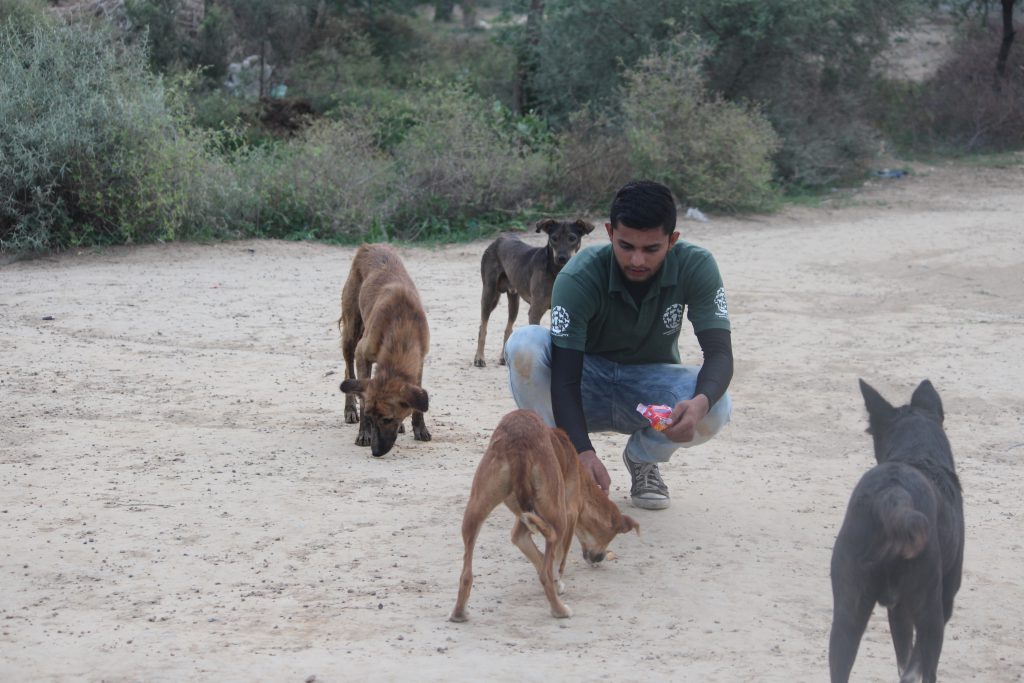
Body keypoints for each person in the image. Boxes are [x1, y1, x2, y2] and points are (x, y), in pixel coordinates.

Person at [503, 180, 733, 510]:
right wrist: (580, 451)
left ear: (672, 241)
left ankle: (642, 458)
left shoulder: (697, 266)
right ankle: (557, 460)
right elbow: (566, 379)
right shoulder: (578, 276)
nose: (637, 259)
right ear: (610, 233)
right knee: (524, 343)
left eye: (652, 249)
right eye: (626, 246)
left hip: (647, 402)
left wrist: (699, 403)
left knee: (717, 406)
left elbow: (720, 354)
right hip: (582, 393)